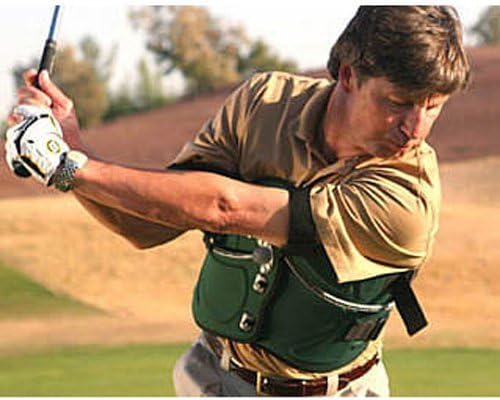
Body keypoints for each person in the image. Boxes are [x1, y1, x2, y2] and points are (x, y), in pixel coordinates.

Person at [4, 6, 470, 397]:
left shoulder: (407, 199)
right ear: (349, 74)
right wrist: (72, 148)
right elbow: (149, 225)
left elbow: (225, 209)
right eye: (398, 102)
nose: (415, 128)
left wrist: (66, 165)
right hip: (214, 377)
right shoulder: (264, 104)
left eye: (433, 106)